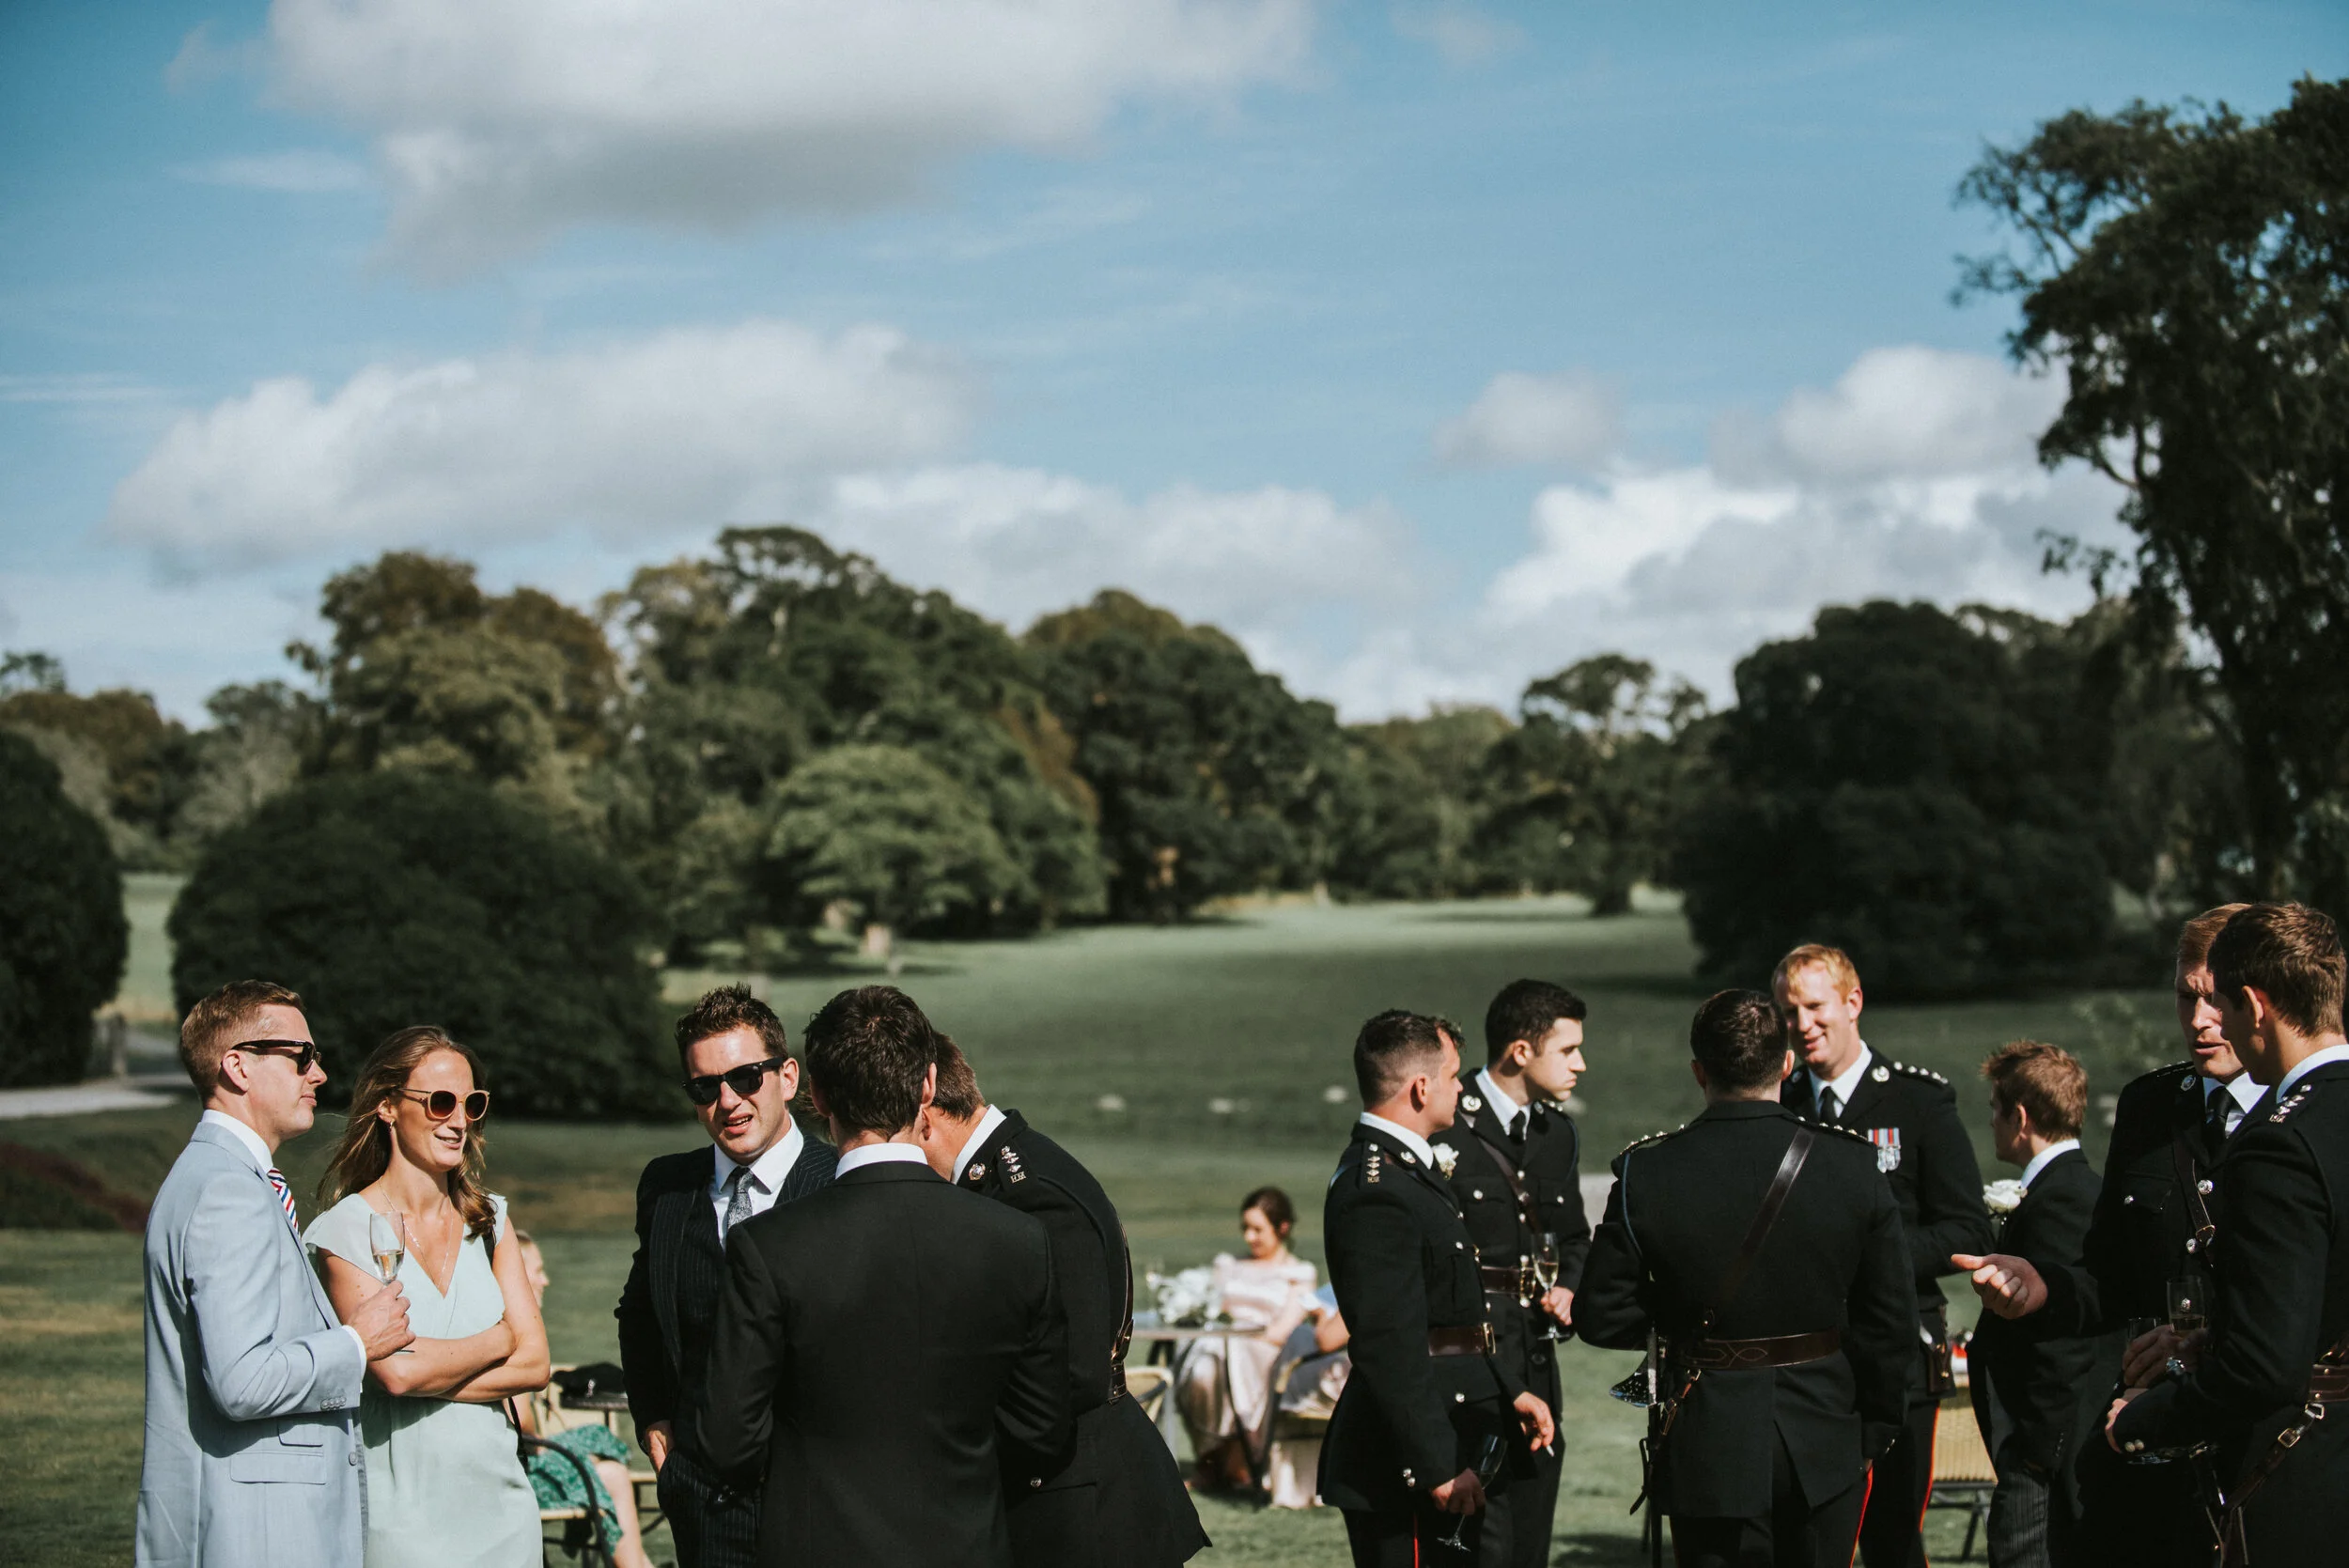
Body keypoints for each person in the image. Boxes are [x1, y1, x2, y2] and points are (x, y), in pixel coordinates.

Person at [695, 985, 1070, 1565]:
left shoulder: (770, 1247)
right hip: (967, 1546)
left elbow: (728, 1443)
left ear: (816, 1095)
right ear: (926, 1085)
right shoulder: (1018, 1240)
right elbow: (1044, 1431)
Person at [1954, 904, 2253, 1568]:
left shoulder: (2310, 1113)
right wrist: (2044, 1288)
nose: (2200, 1020)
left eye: (2218, 999)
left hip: (2262, 1442)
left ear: (2258, 1001)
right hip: (2150, 1441)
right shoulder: (2150, 1108)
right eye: (2186, 996)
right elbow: (2108, 1278)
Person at [1579, 989, 1916, 1568]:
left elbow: (1601, 1314)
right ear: (1787, 1064)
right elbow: (1890, 1321)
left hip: (1708, 1437)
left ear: (1698, 1071)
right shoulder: (1852, 1165)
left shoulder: (1647, 1171)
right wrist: (1873, 1429)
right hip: (1826, 1433)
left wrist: (1681, 1323)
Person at [137, 980, 413, 1568]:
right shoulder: (228, 1191)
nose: (319, 1074)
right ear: (237, 1066)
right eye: (301, 1057)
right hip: (256, 1534)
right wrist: (357, 1344)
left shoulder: (223, 1177)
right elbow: (242, 1382)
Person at [2109, 902, 2349, 1565]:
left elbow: (2267, 1366)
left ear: (2254, 1004)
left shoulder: (2279, 1145)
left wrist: (2141, 1422)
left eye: (2224, 1005)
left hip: (2306, 1479)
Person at [919, 1034, 1208, 1567]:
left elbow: (1070, 1377)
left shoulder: (1026, 1194)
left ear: (925, 1108)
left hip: (1082, 1502)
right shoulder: (1015, 1172)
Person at [1775, 943, 1992, 1568]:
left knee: (1892, 1540)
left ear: (1853, 1002)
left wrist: (1872, 1258)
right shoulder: (1777, 1105)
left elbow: (1967, 1230)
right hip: (1801, 1362)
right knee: (1806, 1542)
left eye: (1815, 1006)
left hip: (1898, 1358)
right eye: (1789, 1012)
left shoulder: (1919, 1102)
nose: (1803, 1024)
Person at [1319, 1010, 1555, 1567]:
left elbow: (1451, 1318)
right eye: (1453, 1077)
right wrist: (1436, 1464)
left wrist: (1507, 1388)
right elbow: (1389, 1343)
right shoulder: (1377, 1189)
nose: (1461, 1087)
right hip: (1413, 1460)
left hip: (1458, 1428)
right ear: (1420, 1088)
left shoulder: (1410, 1174)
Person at [307, 1026, 549, 1568]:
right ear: (388, 1107)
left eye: (472, 1104)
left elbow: (535, 1365)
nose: (459, 1120)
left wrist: (426, 1372)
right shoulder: (345, 1230)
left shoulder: (490, 1221)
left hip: (504, 1514)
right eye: (441, 1102)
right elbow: (396, 1374)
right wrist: (501, 1336)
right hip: (401, 1522)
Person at [615, 986, 837, 1568]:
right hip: (701, 1505)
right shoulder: (667, 1187)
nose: (728, 1101)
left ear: (788, 1077)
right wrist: (652, 1419)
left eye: (746, 1078)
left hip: (819, 1504)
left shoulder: (842, 1184)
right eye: (705, 1086)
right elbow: (639, 1313)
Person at [1430, 982, 1593, 1568]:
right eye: (1567, 1049)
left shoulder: (1558, 1134)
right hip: (1470, 1362)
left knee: (1531, 1539)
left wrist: (1570, 1286)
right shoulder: (1447, 1122)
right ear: (1521, 1052)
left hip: (1539, 1360)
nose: (1580, 1064)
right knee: (1482, 1544)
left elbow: (1574, 1236)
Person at [1964, 1042, 2115, 1568]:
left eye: (1994, 1109)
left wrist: (2034, 1454)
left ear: (2020, 1117)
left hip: (2047, 1458)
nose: (1990, 1122)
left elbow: (2067, 1337)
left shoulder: (2063, 1197)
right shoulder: (2071, 1187)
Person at [511, 1232, 655, 1568]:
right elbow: (521, 1421)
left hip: (519, 1461)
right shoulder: (513, 1333)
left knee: (603, 1452)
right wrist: (542, 1441)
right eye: (538, 1270)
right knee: (615, 1475)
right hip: (520, 1472)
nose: (545, 1281)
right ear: (517, 1274)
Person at [1173, 1187, 1321, 1490]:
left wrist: (1236, 1336)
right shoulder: (1229, 1265)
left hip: (1265, 1353)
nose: (1249, 1238)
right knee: (1204, 1364)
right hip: (1218, 1347)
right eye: (1246, 1229)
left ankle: (1236, 1458)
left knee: (1227, 1354)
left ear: (1282, 1228)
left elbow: (1283, 1330)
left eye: (1257, 1229)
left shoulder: (1299, 1273)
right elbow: (1209, 1309)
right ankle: (1212, 1454)